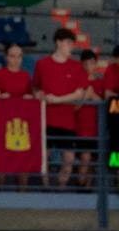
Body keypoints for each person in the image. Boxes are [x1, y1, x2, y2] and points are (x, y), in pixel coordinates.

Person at [34, 29, 92, 189]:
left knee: (69, 158)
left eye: (72, 44)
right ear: (58, 42)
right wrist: (39, 94)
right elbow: (36, 87)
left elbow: (80, 93)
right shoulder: (42, 64)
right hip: (46, 118)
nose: (70, 47)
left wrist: (58, 99)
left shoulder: (76, 67)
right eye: (68, 43)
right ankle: (46, 188)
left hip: (67, 120)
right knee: (44, 155)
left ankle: (61, 187)